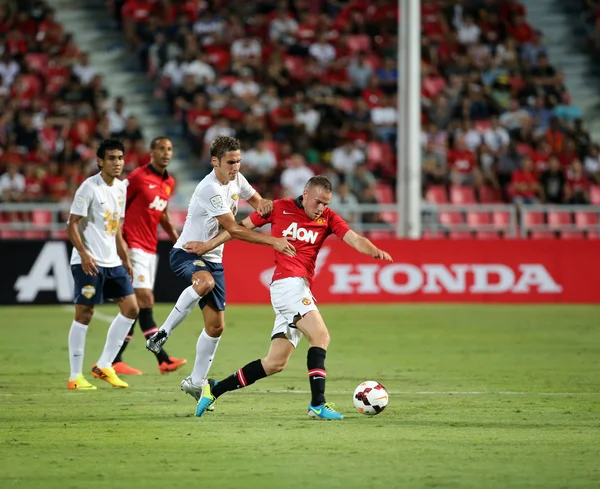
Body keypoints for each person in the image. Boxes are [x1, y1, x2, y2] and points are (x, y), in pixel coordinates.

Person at [187, 176, 393, 420]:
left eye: (325, 203)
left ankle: (214, 389)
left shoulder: (328, 218)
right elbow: (237, 228)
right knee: (320, 335)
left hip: (301, 287)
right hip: (287, 285)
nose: (321, 208)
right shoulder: (278, 208)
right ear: (305, 194)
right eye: (317, 202)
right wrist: (206, 246)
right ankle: (318, 404)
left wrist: (374, 251)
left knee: (275, 362)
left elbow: (355, 239)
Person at [145, 135, 296, 403]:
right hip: (187, 252)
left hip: (213, 259)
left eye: (238, 161)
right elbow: (235, 228)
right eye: (230, 162)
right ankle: (162, 333)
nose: (236, 166)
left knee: (216, 328)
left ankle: (195, 382)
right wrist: (273, 241)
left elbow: (258, 203)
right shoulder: (209, 189)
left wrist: (272, 207)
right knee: (204, 284)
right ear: (215, 162)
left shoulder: (237, 179)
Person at [66, 139, 139, 390]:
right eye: (111, 158)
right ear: (100, 161)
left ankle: (104, 365)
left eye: (120, 158)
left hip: (112, 261)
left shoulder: (121, 188)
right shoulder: (89, 188)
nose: (117, 163)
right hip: (89, 262)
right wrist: (84, 254)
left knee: (131, 308)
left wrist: (125, 257)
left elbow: (116, 227)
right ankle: (75, 376)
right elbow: (72, 224)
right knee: (84, 314)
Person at [112, 136, 187, 376]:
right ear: (151, 152)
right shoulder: (137, 178)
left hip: (149, 248)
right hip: (132, 244)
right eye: (161, 148)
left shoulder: (169, 182)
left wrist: (176, 239)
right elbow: (115, 202)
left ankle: (118, 359)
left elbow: (163, 213)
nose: (166, 153)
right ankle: (158, 358)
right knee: (144, 300)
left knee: (139, 305)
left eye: (170, 149)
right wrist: (118, 237)